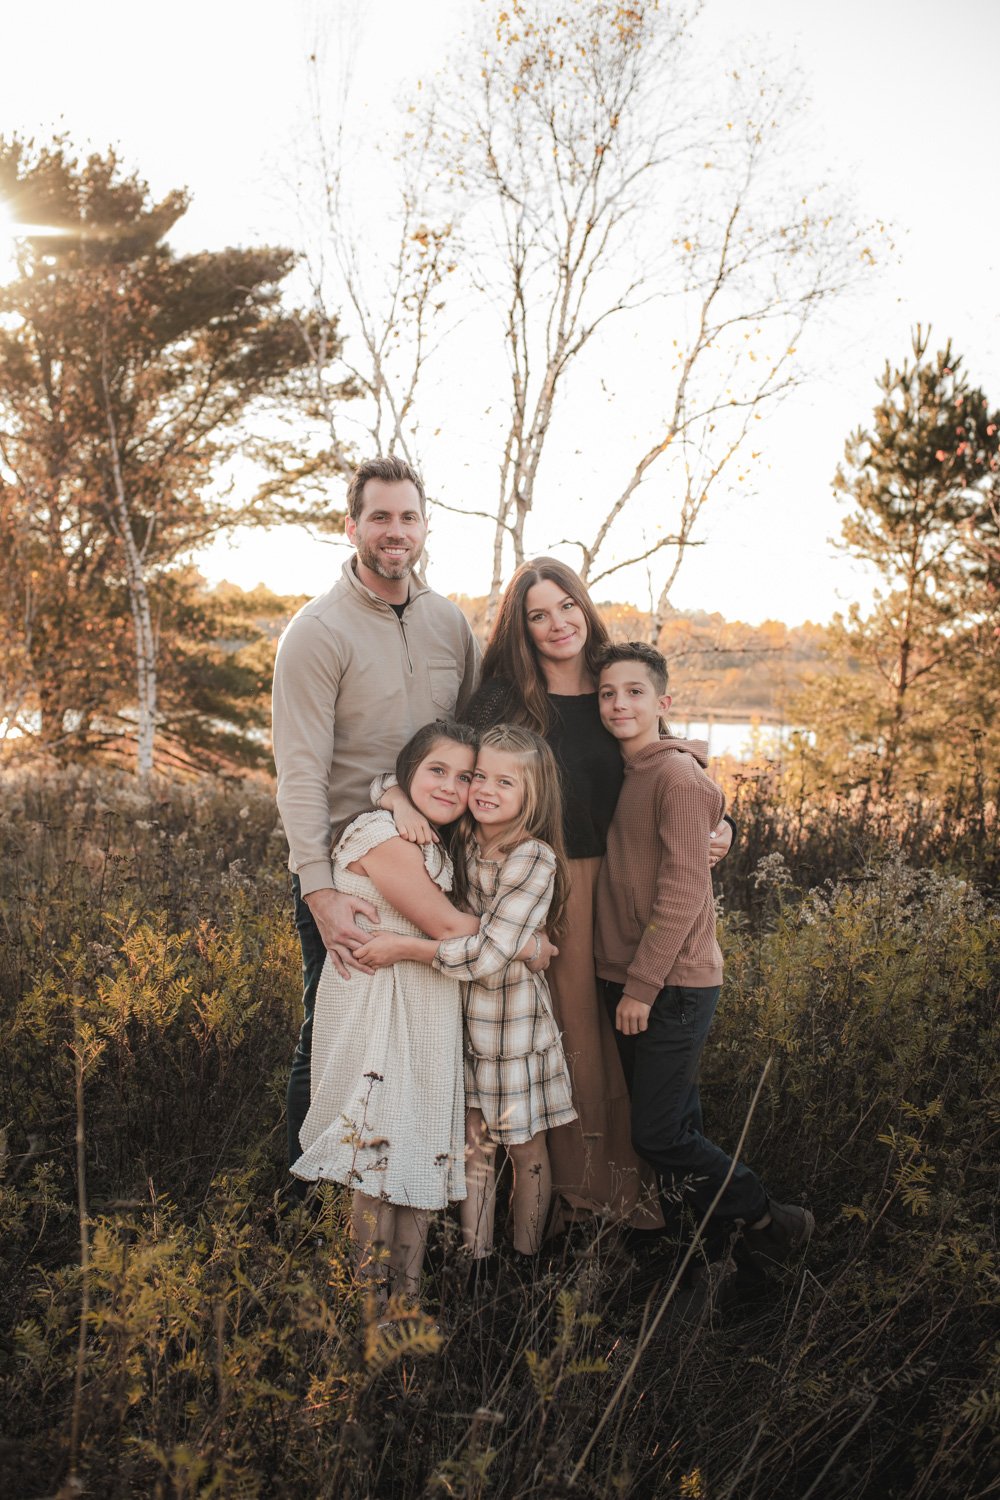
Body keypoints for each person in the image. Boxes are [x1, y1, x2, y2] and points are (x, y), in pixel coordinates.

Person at [460, 558, 733, 1231]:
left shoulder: (616, 681)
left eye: (566, 607)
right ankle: (527, 1199)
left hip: (614, 887)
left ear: (585, 606)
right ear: (521, 629)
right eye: (538, 615)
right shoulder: (503, 698)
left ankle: (604, 1196)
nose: (558, 624)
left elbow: (672, 765)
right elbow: (460, 778)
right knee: (537, 1041)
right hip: (533, 884)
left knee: (597, 1046)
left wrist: (727, 825)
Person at [271, 455, 481, 1174]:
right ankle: (301, 1206)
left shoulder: (450, 624)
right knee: (331, 1033)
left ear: (425, 525)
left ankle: (405, 1185)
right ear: (354, 524)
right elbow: (298, 773)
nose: (396, 532)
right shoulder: (317, 632)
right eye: (381, 517)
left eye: (409, 517)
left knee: (427, 1033)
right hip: (351, 870)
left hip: (438, 865)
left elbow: (485, 737)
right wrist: (317, 890)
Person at [594, 640, 815, 1272]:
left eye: (635, 692)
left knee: (657, 1133)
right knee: (673, 1126)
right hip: (629, 976)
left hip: (674, 984)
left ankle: (773, 1219)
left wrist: (641, 986)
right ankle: (716, 1249)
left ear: (663, 703)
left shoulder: (675, 776)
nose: (619, 704)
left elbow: (687, 888)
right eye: (608, 693)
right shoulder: (628, 771)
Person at [359, 725, 577, 1265]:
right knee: (471, 1143)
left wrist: (405, 948)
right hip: (455, 1019)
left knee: (524, 1148)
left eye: (506, 782)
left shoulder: (532, 859)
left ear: (533, 794)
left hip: (510, 1024)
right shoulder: (461, 834)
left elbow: (485, 958)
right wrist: (398, 804)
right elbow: (386, 780)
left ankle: (523, 1262)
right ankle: (475, 1258)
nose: (484, 790)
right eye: (480, 776)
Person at [291, 722, 481, 1297]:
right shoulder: (380, 835)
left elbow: (383, 781)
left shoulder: (428, 835)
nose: (450, 786)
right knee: (374, 1158)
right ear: (411, 774)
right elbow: (448, 927)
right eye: (437, 771)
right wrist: (527, 937)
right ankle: (367, 1300)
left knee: (420, 1146)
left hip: (426, 1009)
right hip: (379, 1011)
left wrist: (399, 793)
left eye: (465, 776)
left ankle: (409, 1297)